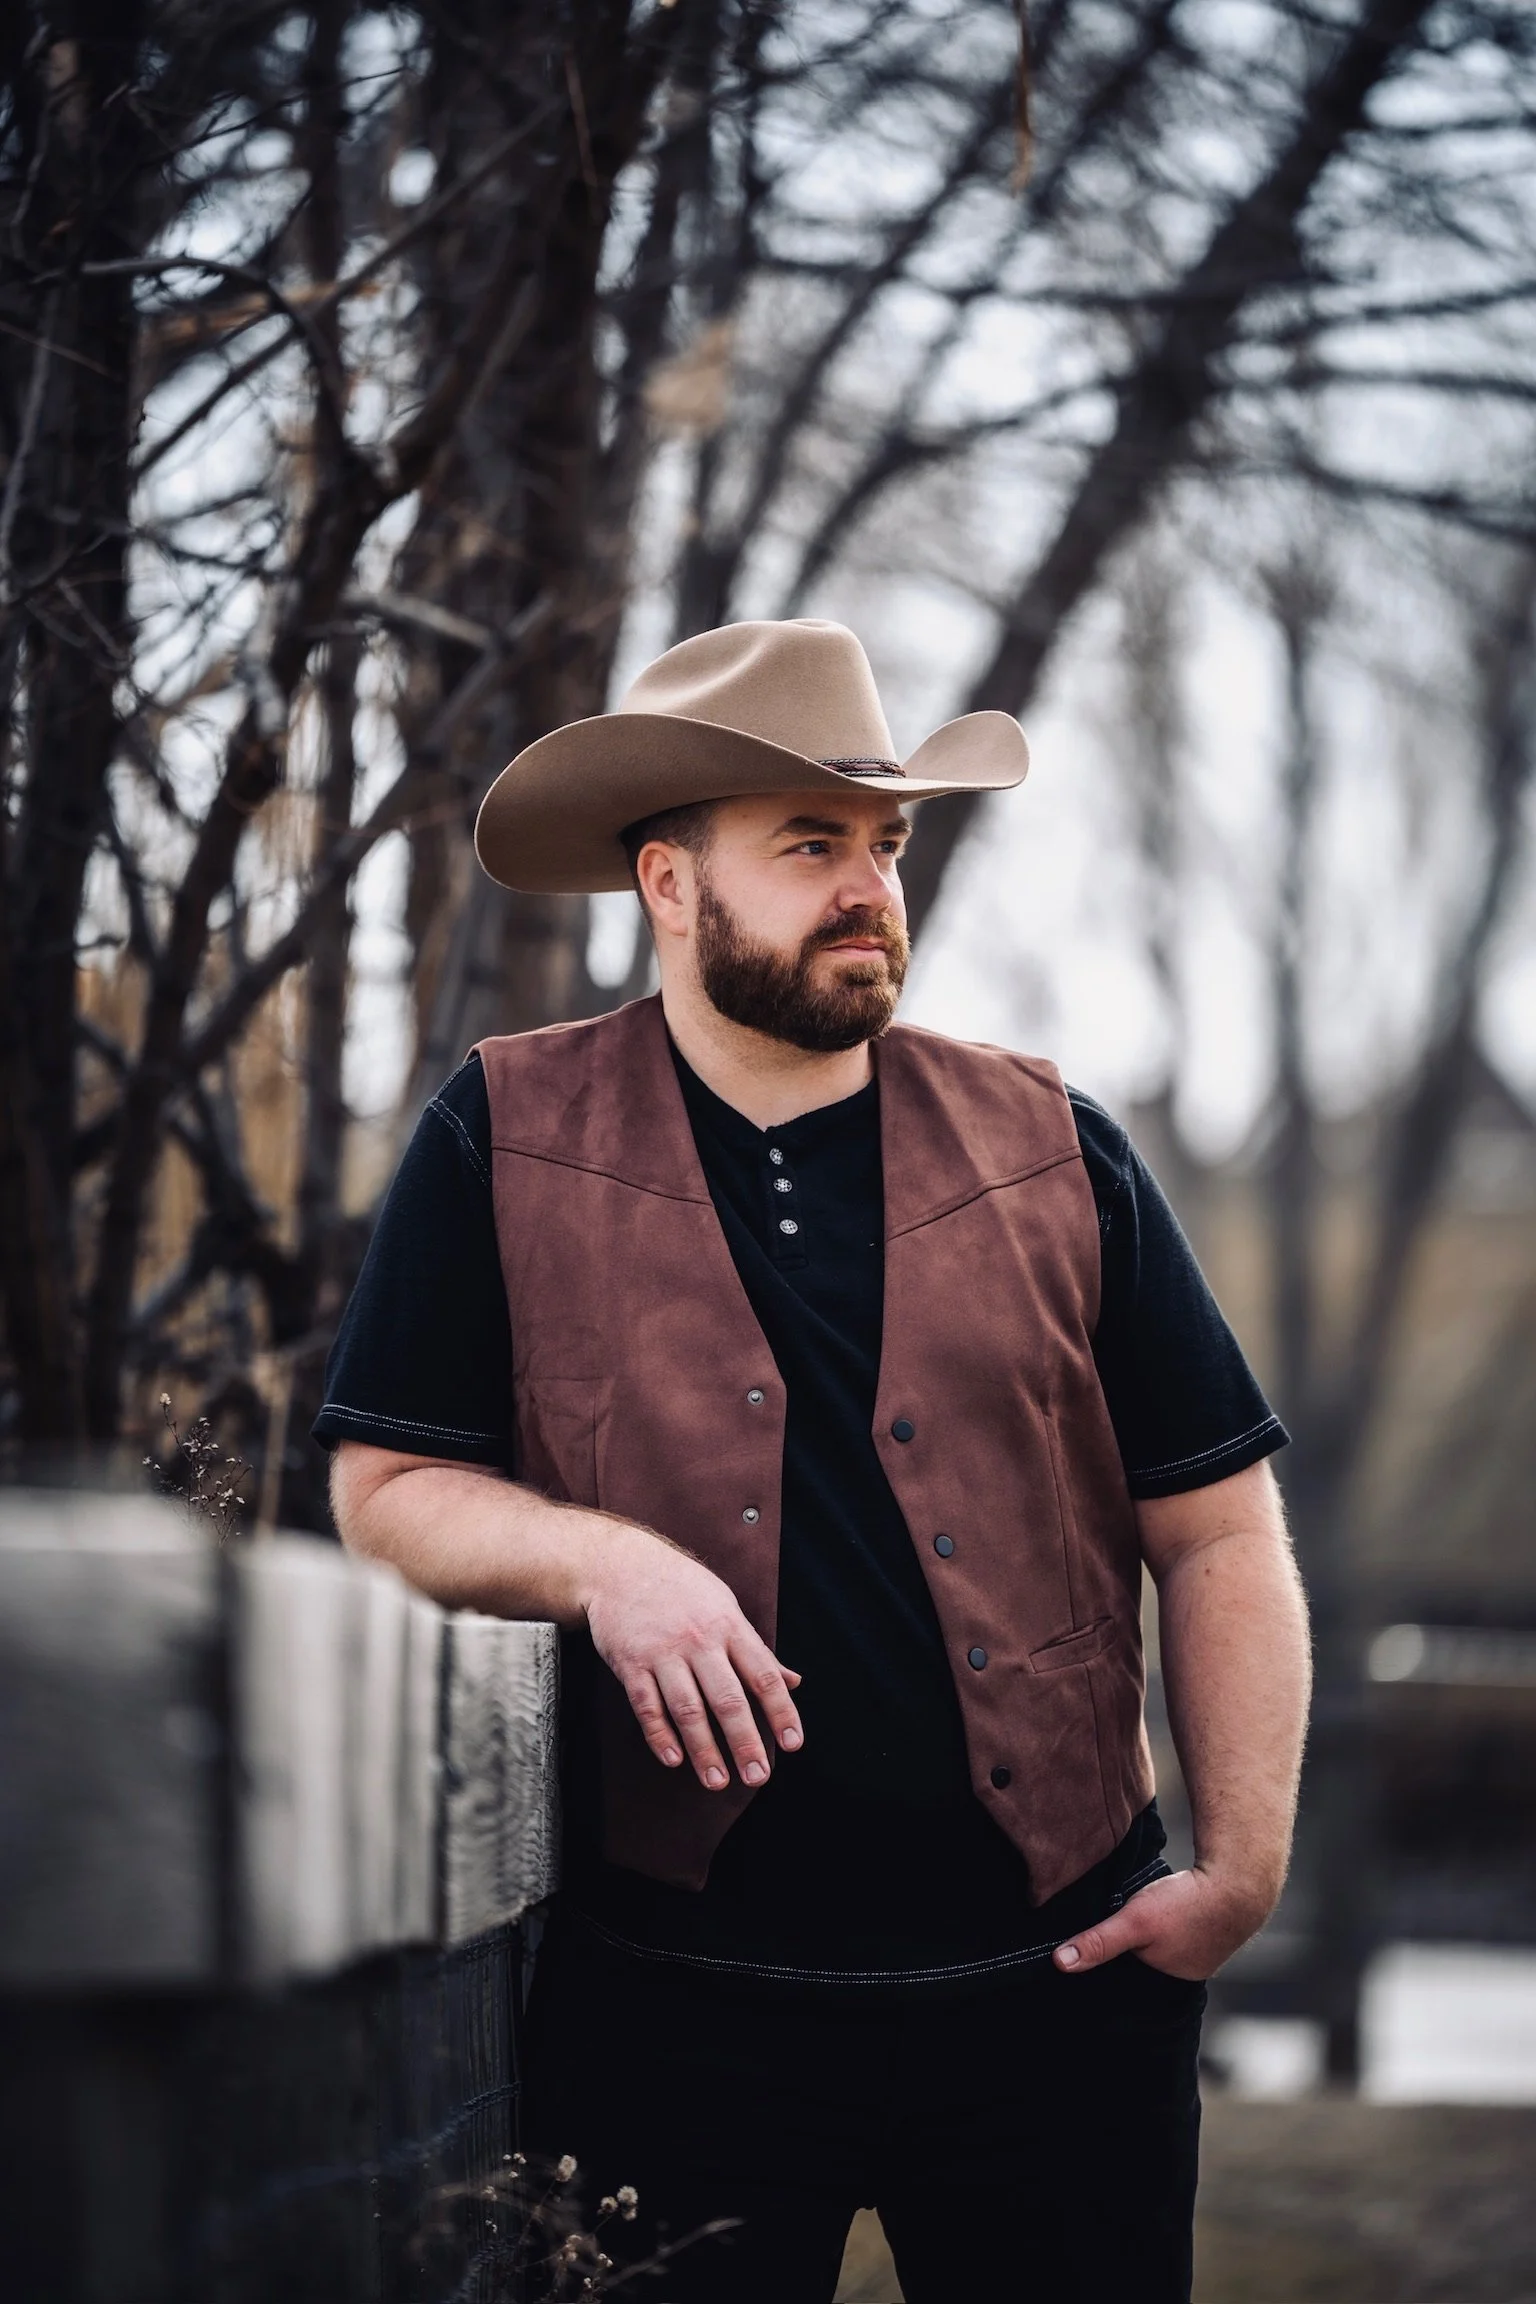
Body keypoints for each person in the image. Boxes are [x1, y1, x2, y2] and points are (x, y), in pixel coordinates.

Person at [319, 619, 1310, 2304]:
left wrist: (1237, 1873)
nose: (869, 887)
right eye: (808, 846)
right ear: (668, 884)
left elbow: (1218, 1532)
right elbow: (381, 1497)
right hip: (669, 2014)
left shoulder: (1055, 1145)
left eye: (884, 844)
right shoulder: (501, 1132)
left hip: (1059, 1994)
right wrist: (606, 1561)